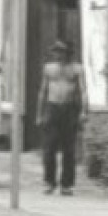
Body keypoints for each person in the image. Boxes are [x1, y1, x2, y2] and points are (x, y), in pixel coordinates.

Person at [37, 40, 86, 196]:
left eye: (61, 52)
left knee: (68, 149)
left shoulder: (77, 69)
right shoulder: (49, 69)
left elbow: (83, 91)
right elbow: (43, 92)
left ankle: (67, 184)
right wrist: (39, 114)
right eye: (56, 52)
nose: (58, 55)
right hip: (53, 108)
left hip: (69, 109)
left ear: (67, 53)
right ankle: (49, 182)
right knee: (49, 148)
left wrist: (84, 111)